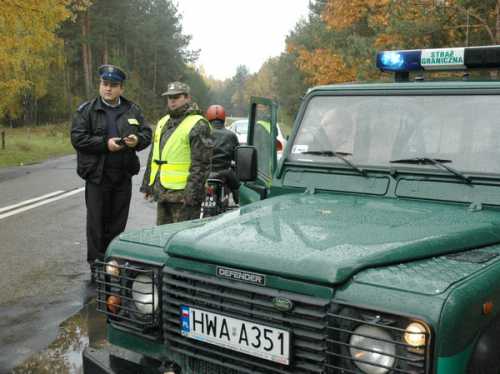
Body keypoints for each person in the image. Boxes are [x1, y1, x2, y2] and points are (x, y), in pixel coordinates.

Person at [71, 64, 152, 278]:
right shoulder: (86, 110)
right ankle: (97, 267)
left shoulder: (132, 110)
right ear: (100, 85)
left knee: (118, 223)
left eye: (113, 85)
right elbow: (78, 138)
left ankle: (113, 263)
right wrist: (105, 144)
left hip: (122, 174)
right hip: (98, 175)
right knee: (97, 224)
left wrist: (137, 141)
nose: (108, 89)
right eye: (104, 84)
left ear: (121, 88)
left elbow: (146, 134)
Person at [141, 81, 213, 225]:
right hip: (163, 192)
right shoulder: (163, 122)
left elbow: (201, 164)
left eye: (176, 97)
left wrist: (192, 196)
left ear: (187, 98)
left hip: (183, 196)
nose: (172, 101)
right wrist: (148, 185)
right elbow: (154, 155)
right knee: (162, 237)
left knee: (182, 240)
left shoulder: (198, 124)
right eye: (169, 97)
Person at [206, 104, 240, 203]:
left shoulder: (204, 133)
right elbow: (237, 157)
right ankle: (238, 201)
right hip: (225, 172)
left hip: (206, 173)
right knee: (237, 186)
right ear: (224, 118)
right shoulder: (231, 135)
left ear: (208, 117)